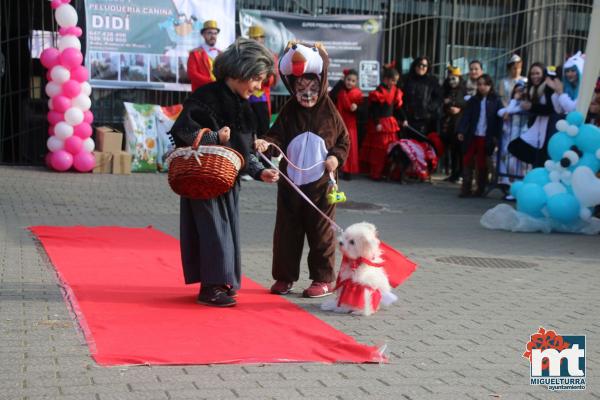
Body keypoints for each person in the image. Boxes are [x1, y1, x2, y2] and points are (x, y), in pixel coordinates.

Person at [169, 38, 278, 307]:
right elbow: (183, 132)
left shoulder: (245, 106)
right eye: (256, 79)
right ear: (240, 72)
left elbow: (246, 149)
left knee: (226, 231)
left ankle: (222, 282)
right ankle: (210, 288)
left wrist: (260, 171)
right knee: (211, 230)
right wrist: (214, 137)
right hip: (202, 177)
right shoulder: (205, 97)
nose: (258, 88)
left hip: (227, 180)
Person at [255, 42, 349, 298]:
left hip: (320, 186)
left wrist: (335, 159)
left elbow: (343, 141)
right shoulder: (289, 111)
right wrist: (267, 144)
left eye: (313, 88)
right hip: (291, 184)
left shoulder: (329, 111)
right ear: (292, 87)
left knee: (321, 234)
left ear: (322, 85)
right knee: (286, 232)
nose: (307, 93)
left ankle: (323, 278)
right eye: (300, 88)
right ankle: (284, 278)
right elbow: (277, 137)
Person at [457, 74, 503, 197]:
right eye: (479, 84)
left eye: (485, 84)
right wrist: (461, 131)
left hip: (486, 135)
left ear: (490, 85)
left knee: (482, 162)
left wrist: (497, 136)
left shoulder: (496, 100)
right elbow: (466, 117)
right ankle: (465, 187)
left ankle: (480, 188)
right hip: (473, 134)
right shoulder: (473, 100)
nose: (482, 87)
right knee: (467, 158)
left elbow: (499, 120)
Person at [508, 62, 557, 167]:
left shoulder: (548, 88)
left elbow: (551, 109)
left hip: (549, 127)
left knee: (543, 156)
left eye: (537, 73)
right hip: (537, 126)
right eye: (532, 74)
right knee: (515, 146)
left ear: (543, 74)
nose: (535, 76)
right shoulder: (532, 89)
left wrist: (531, 107)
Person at [359, 66, 403, 180]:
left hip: (390, 124)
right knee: (379, 150)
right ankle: (375, 173)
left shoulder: (395, 90)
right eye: (393, 80)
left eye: (396, 81)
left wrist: (404, 119)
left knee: (390, 148)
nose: (394, 83)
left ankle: (387, 172)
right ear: (386, 79)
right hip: (380, 124)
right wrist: (377, 123)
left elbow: (397, 108)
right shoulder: (378, 92)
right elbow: (374, 110)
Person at [497, 81, 530, 199]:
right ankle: (511, 186)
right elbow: (501, 112)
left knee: (518, 164)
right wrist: (512, 102)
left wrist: (512, 103)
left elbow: (511, 111)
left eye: (522, 90)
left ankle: (519, 190)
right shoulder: (514, 103)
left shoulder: (525, 104)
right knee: (507, 161)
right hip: (511, 135)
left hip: (522, 134)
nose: (519, 93)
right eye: (517, 90)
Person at [400, 56, 442, 138]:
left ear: (428, 67)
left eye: (424, 65)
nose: (421, 67)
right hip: (408, 119)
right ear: (415, 65)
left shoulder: (432, 80)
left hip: (425, 120)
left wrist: (429, 108)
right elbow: (400, 97)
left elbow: (438, 97)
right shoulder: (406, 79)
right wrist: (402, 116)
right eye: (419, 64)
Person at [332, 69, 363, 179]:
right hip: (339, 122)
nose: (350, 82)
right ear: (344, 79)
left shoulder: (358, 94)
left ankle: (348, 171)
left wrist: (357, 108)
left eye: (353, 81)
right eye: (348, 79)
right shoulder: (340, 91)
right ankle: (336, 168)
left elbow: (364, 111)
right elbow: (331, 96)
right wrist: (340, 82)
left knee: (350, 147)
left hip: (350, 125)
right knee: (336, 145)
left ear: (356, 82)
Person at [247, 24, 278, 137]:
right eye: (251, 38)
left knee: (263, 129)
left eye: (256, 38)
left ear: (262, 39)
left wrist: (260, 79)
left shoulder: (270, 55)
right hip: (245, 96)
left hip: (261, 96)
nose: (254, 41)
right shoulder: (243, 54)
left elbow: (273, 78)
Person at [441, 65, 467, 182]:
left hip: (460, 123)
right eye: (450, 79)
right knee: (452, 150)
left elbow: (466, 104)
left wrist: (459, 108)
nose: (452, 82)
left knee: (460, 150)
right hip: (450, 123)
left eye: (454, 78)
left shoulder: (463, 90)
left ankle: (461, 173)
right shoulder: (446, 90)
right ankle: (453, 173)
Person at [187, 20, 221, 92]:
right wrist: (211, 82)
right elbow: (192, 74)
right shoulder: (195, 53)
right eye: (209, 33)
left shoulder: (222, 54)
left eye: (215, 33)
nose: (213, 36)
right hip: (201, 93)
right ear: (203, 35)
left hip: (219, 93)